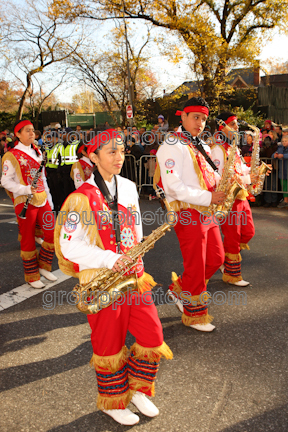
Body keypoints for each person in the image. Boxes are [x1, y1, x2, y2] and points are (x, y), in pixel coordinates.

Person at [54, 129, 173, 426]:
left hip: (133, 276)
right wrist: (111, 259)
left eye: (121, 150)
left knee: (153, 334)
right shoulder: (79, 198)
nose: (119, 157)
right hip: (101, 281)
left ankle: (135, 388)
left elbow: (134, 227)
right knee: (109, 343)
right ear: (93, 157)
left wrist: (136, 256)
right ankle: (113, 400)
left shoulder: (129, 187)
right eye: (111, 152)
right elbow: (69, 245)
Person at [154, 97, 225, 332]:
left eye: (204, 119)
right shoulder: (172, 145)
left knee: (216, 258)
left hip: (206, 210)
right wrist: (209, 198)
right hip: (187, 212)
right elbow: (173, 186)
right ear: (182, 116)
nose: (201, 123)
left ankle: (180, 290)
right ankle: (195, 315)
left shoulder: (200, 145)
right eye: (196, 117)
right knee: (196, 265)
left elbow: (211, 176)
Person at [1, 120, 56, 288]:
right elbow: (5, 181)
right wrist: (24, 189)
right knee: (27, 238)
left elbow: (43, 178)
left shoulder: (38, 152)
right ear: (17, 134)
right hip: (24, 200)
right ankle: (32, 276)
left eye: (33, 130)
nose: (32, 133)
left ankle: (43, 266)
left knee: (52, 233)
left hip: (42, 198)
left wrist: (50, 199)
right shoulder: (12, 155)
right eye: (27, 130)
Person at [211, 111, 257, 287]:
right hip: (229, 199)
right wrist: (246, 179)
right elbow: (218, 176)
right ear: (222, 127)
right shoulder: (217, 148)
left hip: (241, 195)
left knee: (248, 232)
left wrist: (253, 172)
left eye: (237, 124)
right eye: (233, 124)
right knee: (233, 237)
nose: (237, 128)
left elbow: (241, 168)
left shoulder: (234, 147)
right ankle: (232, 274)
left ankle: (221, 259)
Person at [273, 135, 288, 208]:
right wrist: (275, 155)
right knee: (284, 186)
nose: (284, 142)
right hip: (282, 171)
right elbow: (273, 155)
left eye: (286, 141)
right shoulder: (280, 148)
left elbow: (284, 155)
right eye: (283, 141)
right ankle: (285, 201)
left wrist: (283, 156)